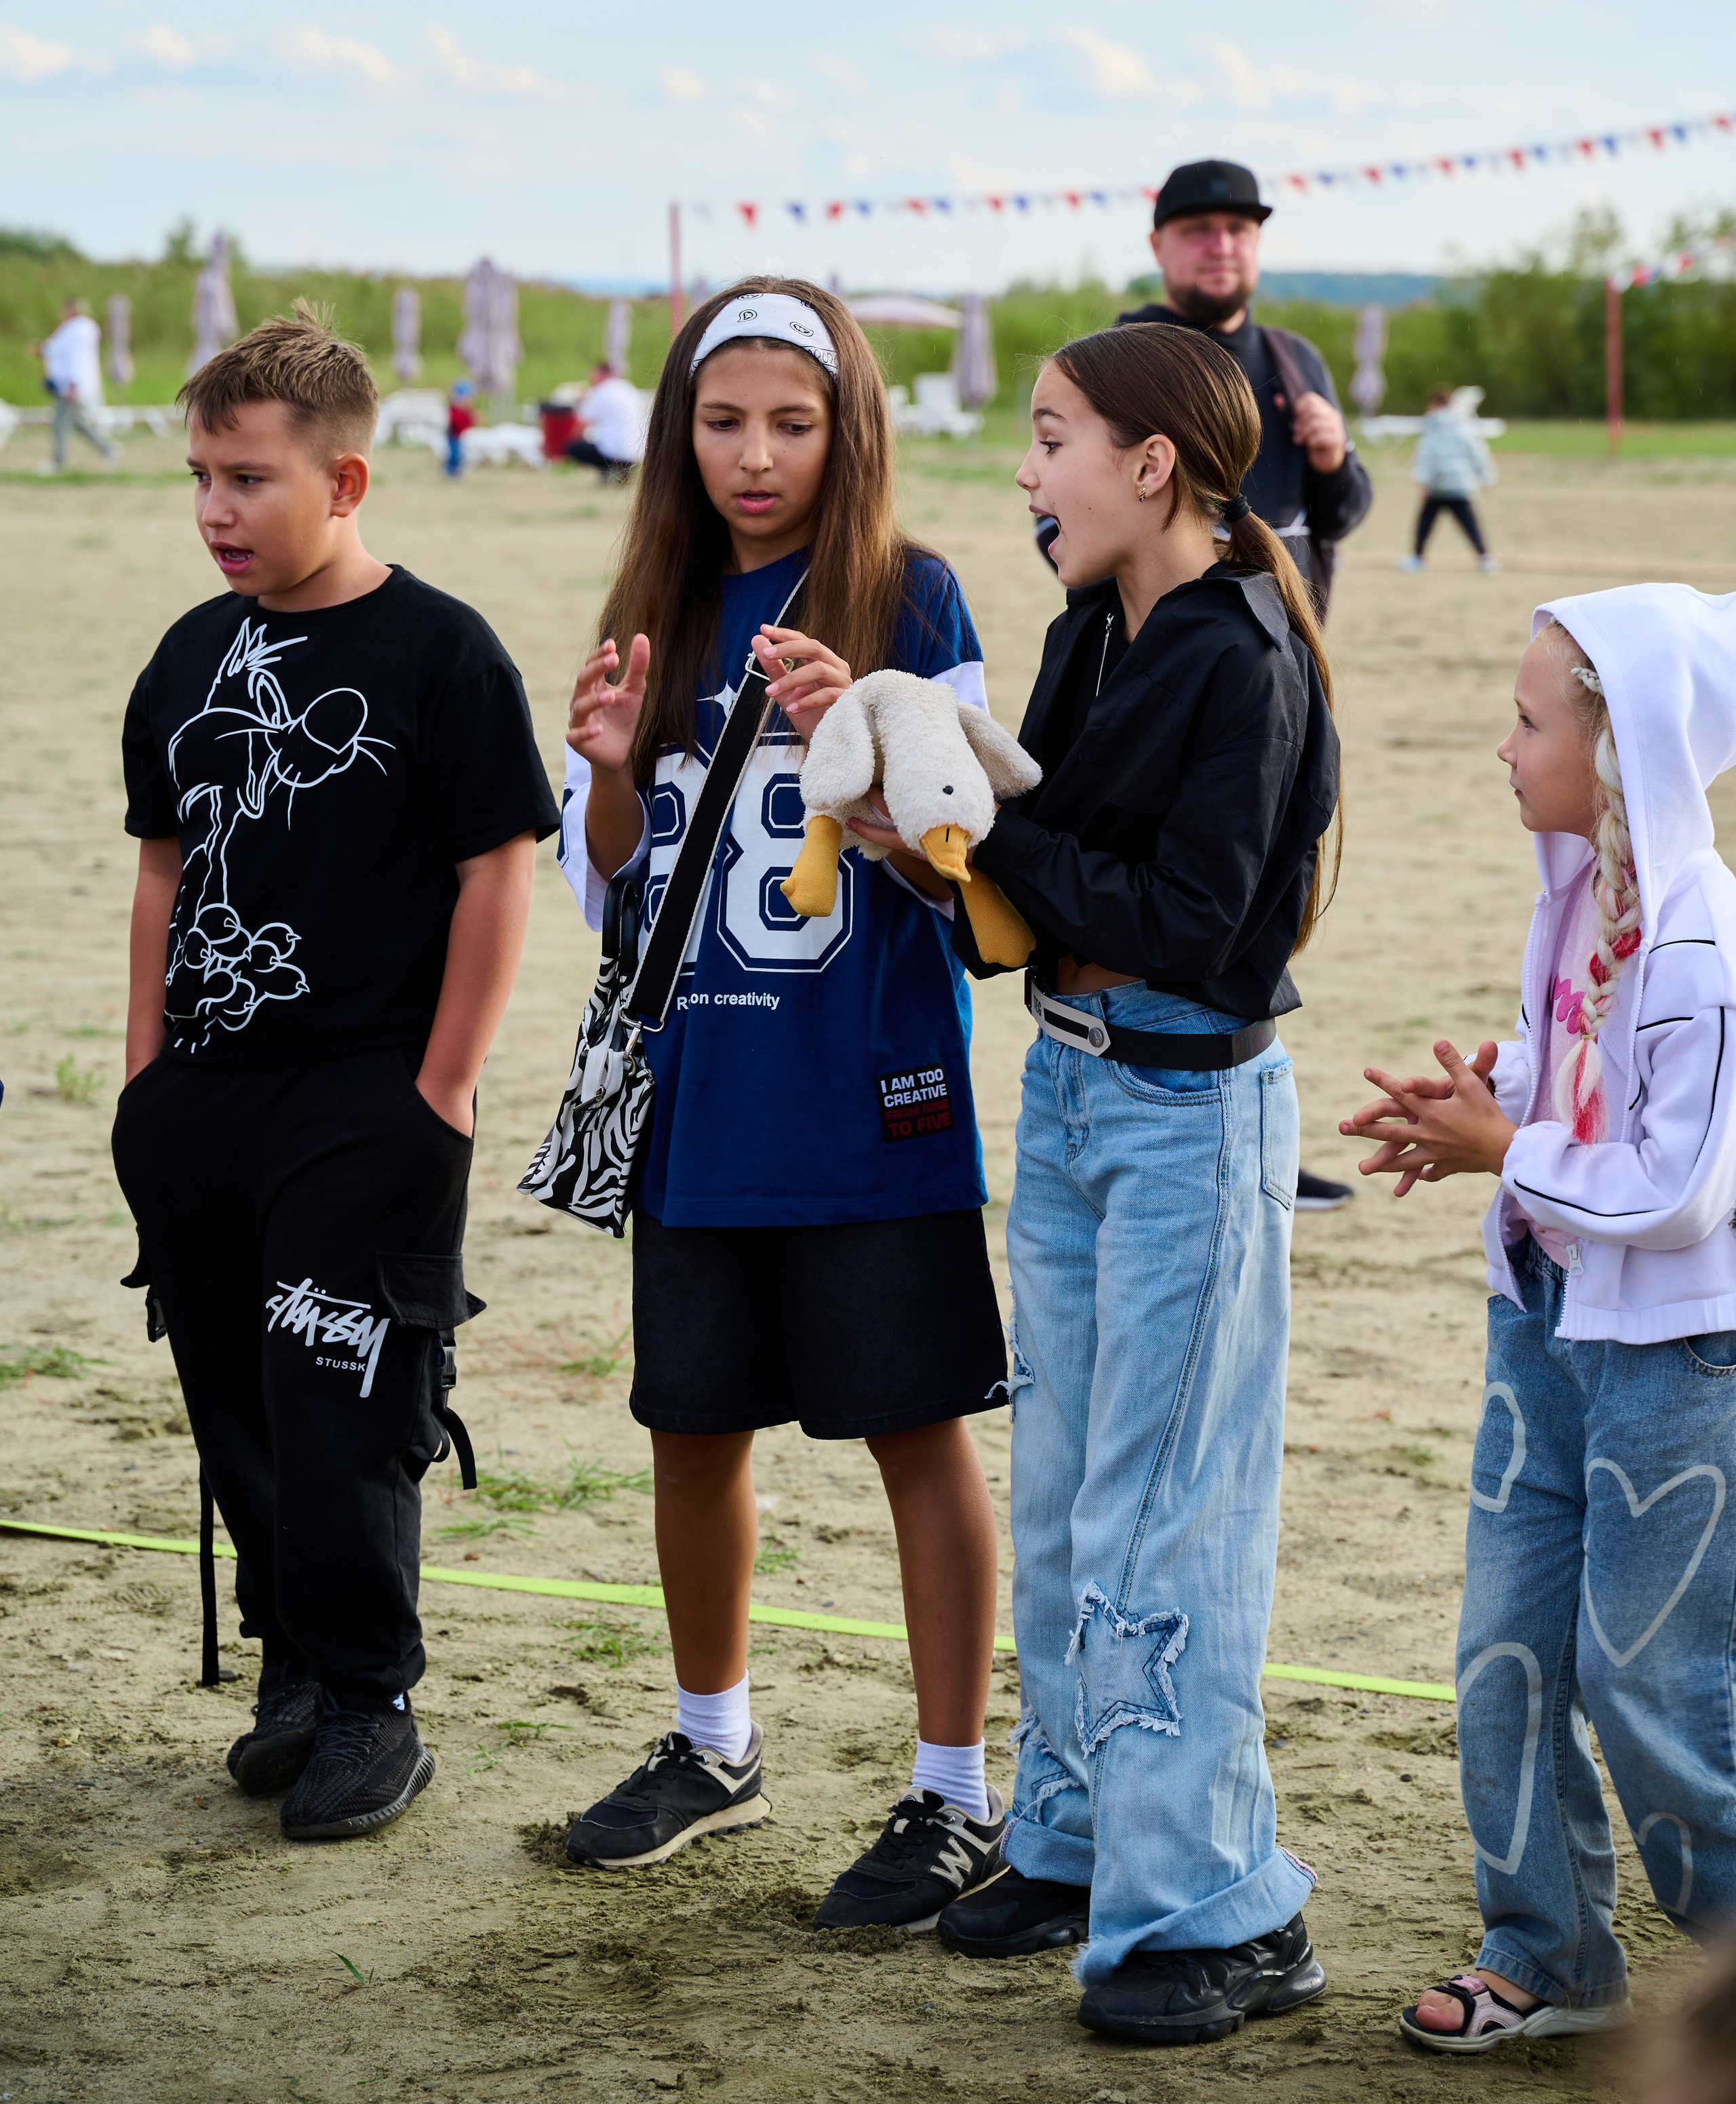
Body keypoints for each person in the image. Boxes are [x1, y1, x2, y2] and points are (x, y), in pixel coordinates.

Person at [557, 277, 1010, 1931]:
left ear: (848, 428)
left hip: (868, 1092)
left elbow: (965, 858)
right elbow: (609, 885)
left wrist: (860, 738)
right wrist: (607, 762)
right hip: (702, 1098)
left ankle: (954, 1785)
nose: (755, 455)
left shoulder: (913, 589)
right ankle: (709, 1739)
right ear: (679, 430)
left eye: (792, 423)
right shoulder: (660, 596)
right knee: (690, 1430)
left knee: (914, 1431)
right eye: (724, 420)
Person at [936, 321, 1340, 2048]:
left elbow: (1180, 921)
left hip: (1190, 1109)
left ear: (1149, 462)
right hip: (1071, 1095)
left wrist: (983, 808)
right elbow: (1021, 908)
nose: (1026, 472)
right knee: (1059, 1492)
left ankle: (1221, 1906)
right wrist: (915, 822)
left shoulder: (1238, 657)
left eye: (1049, 439)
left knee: (1163, 1510)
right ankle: (1076, 1832)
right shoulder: (1079, 629)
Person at [111, 306, 559, 1842]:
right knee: (234, 1400)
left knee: (342, 1399)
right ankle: (292, 1671)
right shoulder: (186, 655)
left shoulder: (439, 651)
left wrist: (439, 1086)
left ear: (344, 478)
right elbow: (162, 871)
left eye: (246, 477)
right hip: (203, 1106)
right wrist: (142, 1081)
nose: (215, 509)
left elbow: (498, 868)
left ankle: (371, 1697)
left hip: (369, 1094)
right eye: (201, 477)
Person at [1340, 586, 1736, 2056]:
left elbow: (1684, 1193)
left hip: (1673, 1363)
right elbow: (1577, 1063)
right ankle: (1552, 1953)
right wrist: (1484, 1092)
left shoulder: (1696, 941)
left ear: (1617, 745)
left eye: (1524, 720)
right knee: (1502, 1656)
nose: (1499, 747)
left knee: (1649, 1687)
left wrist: (1501, 1151)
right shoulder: (1575, 891)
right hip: (1546, 1328)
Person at [1120, 157, 1368, 1214]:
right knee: (1176, 897)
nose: (1222, 245)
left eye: (1239, 228)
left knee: (1273, 906)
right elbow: (1071, 526)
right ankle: (1165, 1119)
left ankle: (1263, 1129)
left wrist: (1333, 455)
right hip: (1174, 681)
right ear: (1162, 244)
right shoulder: (1131, 360)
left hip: (1286, 681)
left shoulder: (1291, 355)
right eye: (1200, 228)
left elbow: (1342, 513)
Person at [1402, 389, 1498, 572]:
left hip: (1437, 486)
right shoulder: (1464, 426)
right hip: (1460, 485)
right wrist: (1486, 478)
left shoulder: (1433, 427)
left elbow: (1427, 457)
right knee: (1470, 524)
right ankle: (1485, 559)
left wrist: (1422, 482)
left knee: (1425, 525)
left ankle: (1417, 559)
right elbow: (1477, 453)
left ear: (1435, 405)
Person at [39, 298, 120, 473]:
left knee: (61, 423)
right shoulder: (83, 328)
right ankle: (108, 448)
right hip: (75, 383)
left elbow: (73, 358)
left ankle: (58, 463)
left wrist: (73, 384)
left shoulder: (76, 330)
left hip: (70, 384)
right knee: (77, 422)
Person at [565, 358, 646, 483]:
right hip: (637, 450)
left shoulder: (601, 391)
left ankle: (606, 470)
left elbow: (581, 425)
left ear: (602, 374)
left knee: (573, 448)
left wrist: (569, 444)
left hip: (611, 450)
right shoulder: (628, 388)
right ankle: (624, 470)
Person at [446, 377, 476, 479]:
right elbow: (454, 422)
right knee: (454, 454)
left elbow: (470, 422)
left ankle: (456, 470)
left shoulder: (467, 411)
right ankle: (451, 471)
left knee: (460, 454)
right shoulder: (454, 410)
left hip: (463, 436)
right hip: (454, 435)